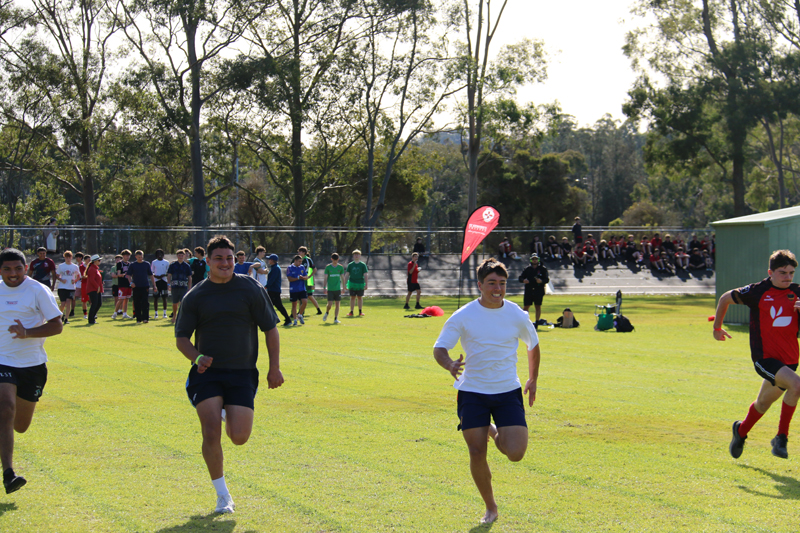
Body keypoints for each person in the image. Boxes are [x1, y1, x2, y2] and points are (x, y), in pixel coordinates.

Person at [175, 235, 283, 514]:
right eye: (218, 258)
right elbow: (182, 338)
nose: (225, 263)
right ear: (208, 262)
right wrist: (197, 357)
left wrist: (274, 367)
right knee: (211, 430)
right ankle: (223, 496)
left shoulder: (251, 288)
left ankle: (226, 410)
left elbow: (270, 329)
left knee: (239, 436)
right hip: (207, 373)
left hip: (242, 373)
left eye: (229, 258)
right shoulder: (196, 295)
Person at [433, 258, 540, 525]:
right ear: (480, 285)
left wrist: (533, 378)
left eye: (502, 283)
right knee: (476, 451)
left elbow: (533, 345)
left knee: (515, 453)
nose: (497, 288)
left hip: (507, 391)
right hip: (473, 392)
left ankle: (491, 430)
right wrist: (449, 364)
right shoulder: (463, 315)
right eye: (491, 283)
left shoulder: (517, 314)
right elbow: (440, 348)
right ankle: (490, 508)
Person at [715, 250, 800, 460]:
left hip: (790, 361)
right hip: (765, 359)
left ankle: (741, 431)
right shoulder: (757, 291)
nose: (788, 277)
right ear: (770, 272)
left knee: (762, 403)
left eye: (791, 273)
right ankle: (781, 438)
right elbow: (725, 298)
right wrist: (717, 327)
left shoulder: (798, 292)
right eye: (782, 273)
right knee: (797, 385)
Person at [0, 248, 63, 494]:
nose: (13, 273)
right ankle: (9, 474)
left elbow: (57, 325)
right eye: (7, 269)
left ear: (26, 268)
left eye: (18, 268)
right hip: (3, 360)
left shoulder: (38, 290)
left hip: (32, 365)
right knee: (5, 408)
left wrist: (27, 332)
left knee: (19, 425)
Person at [519, 254, 549, 325]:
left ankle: (537, 322)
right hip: (529, 289)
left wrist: (541, 281)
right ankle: (525, 322)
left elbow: (547, 279)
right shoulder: (527, 269)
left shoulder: (542, 269)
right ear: (531, 260)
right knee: (526, 306)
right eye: (533, 259)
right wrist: (524, 280)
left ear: (538, 260)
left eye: (536, 259)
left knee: (537, 306)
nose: (534, 260)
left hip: (538, 290)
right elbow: (520, 278)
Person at [127, 250, 155, 324]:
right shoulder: (133, 265)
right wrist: (131, 283)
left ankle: (145, 318)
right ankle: (138, 319)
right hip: (136, 286)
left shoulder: (146, 264)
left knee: (145, 302)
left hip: (145, 286)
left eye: (141, 257)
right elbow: (128, 275)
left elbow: (151, 275)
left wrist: (154, 285)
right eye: (139, 257)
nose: (140, 258)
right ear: (136, 257)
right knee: (137, 302)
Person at [264, 254, 292, 327]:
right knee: (271, 306)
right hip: (273, 290)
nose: (268, 260)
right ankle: (274, 320)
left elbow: (272, 279)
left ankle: (287, 319)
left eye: (269, 259)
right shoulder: (274, 267)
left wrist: (266, 286)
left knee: (277, 306)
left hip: (274, 290)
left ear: (272, 260)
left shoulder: (276, 268)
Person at [167, 249, 193, 324]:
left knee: (183, 302)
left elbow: (189, 277)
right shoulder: (173, 265)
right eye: (179, 255)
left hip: (183, 286)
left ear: (184, 256)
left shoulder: (187, 266)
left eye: (182, 255)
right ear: (177, 256)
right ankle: (174, 316)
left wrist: (189, 287)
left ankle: (182, 317)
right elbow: (169, 275)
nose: (180, 257)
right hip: (174, 286)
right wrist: (168, 284)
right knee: (175, 302)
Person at [55, 251, 80, 324]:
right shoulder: (61, 266)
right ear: (64, 258)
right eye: (66, 258)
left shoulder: (75, 266)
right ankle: (61, 315)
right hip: (62, 287)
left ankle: (66, 318)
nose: (68, 259)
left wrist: (75, 280)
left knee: (69, 302)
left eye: (69, 258)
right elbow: (57, 275)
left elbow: (78, 276)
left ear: (71, 258)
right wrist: (61, 280)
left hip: (71, 287)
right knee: (63, 304)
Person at [299, 247, 322, 316]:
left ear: (304, 252)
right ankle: (318, 310)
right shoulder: (297, 259)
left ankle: (301, 312)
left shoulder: (308, 260)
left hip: (307, 281)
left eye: (300, 251)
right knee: (309, 296)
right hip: (300, 280)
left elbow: (314, 269)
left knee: (305, 296)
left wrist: (309, 277)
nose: (299, 253)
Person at [344, 250, 368, 317]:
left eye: (357, 254)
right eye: (355, 254)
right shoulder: (350, 265)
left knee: (360, 297)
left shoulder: (363, 265)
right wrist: (344, 284)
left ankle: (360, 311)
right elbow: (347, 275)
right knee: (352, 297)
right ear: (353, 256)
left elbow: (365, 275)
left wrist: (366, 284)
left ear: (360, 256)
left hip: (360, 283)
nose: (356, 256)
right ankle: (351, 311)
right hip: (352, 283)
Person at [286, 256, 308, 326]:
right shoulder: (290, 268)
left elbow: (306, 276)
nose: (300, 263)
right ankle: (295, 320)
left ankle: (300, 315)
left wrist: (303, 277)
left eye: (301, 261)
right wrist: (298, 278)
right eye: (299, 261)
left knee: (305, 302)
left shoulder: (302, 267)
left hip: (302, 288)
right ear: (295, 260)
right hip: (294, 289)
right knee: (294, 304)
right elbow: (289, 279)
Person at [323, 253, 344, 324]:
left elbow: (343, 278)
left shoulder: (340, 267)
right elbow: (325, 278)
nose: (335, 261)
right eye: (334, 260)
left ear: (338, 259)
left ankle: (335, 318)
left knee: (337, 304)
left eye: (336, 260)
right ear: (331, 259)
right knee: (330, 304)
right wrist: (324, 287)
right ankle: (327, 312)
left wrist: (343, 288)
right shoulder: (328, 267)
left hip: (337, 289)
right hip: (330, 289)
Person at [112, 250, 133, 319]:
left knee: (127, 299)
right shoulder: (119, 264)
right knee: (121, 299)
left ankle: (125, 313)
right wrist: (123, 275)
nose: (128, 257)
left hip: (128, 284)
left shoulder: (130, 264)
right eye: (126, 256)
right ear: (123, 256)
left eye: (129, 256)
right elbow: (118, 274)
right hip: (122, 284)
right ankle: (115, 313)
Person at [84, 254, 103, 325]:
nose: (100, 261)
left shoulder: (95, 269)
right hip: (93, 289)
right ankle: (91, 319)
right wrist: (97, 286)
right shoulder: (92, 269)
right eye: (99, 260)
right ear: (95, 261)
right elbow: (91, 279)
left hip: (96, 289)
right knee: (95, 304)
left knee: (98, 303)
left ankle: (93, 316)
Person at [152, 249, 170, 319]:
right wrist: (156, 276)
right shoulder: (154, 262)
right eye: (158, 254)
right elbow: (152, 272)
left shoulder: (166, 262)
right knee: (156, 297)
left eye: (161, 254)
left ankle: (164, 313)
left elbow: (168, 272)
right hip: (156, 281)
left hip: (164, 281)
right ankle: (156, 313)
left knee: (164, 297)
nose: (159, 255)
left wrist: (163, 275)